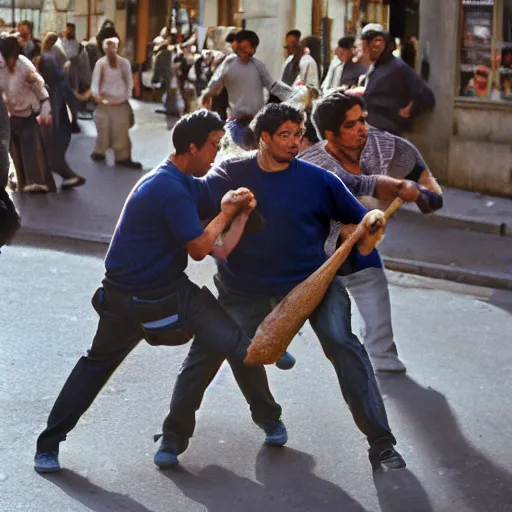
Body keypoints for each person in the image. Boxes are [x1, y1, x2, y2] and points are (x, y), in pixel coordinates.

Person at [34, 109, 284, 473]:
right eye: (213, 147)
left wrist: (248, 182)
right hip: (140, 297)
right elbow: (199, 248)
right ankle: (49, 444)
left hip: (147, 291)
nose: (216, 153)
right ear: (192, 147)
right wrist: (227, 212)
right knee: (100, 365)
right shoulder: (168, 188)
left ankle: (269, 419)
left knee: (233, 346)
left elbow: (213, 189)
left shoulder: (180, 178)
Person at [164, 103, 407, 471]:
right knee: (209, 351)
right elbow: (191, 200)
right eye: (285, 135)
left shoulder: (319, 180)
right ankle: (173, 436)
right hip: (245, 289)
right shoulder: (230, 172)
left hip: (313, 284)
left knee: (343, 343)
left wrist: (370, 226)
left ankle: (382, 444)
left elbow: (360, 224)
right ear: (263, 138)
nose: (295, 143)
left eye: (298, 135)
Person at [299, 92, 443, 372]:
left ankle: (381, 353)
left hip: (360, 244)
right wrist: (394, 186)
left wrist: (420, 193)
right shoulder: (313, 164)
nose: (361, 129)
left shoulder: (388, 147)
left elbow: (434, 195)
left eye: (362, 120)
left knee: (370, 275)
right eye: (350, 125)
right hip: (316, 245)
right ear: (329, 133)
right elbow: (352, 184)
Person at [201, 30, 292, 149]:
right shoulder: (229, 63)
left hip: (256, 121)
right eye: (243, 50)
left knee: (256, 154)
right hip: (236, 121)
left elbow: (273, 85)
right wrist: (207, 94)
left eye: (250, 52)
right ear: (237, 45)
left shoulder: (258, 65)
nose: (245, 54)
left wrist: (292, 94)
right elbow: (214, 83)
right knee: (241, 152)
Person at [0, 36, 54, 193]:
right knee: (14, 153)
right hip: (11, 116)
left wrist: (46, 106)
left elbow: (40, 86)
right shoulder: (2, 67)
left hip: (28, 115)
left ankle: (39, 183)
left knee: (32, 153)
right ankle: (21, 183)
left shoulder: (24, 66)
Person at [359, 24, 435, 135]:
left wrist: (409, 110)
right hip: (373, 131)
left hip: (388, 133)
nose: (364, 51)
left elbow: (427, 96)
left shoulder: (397, 66)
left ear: (378, 43)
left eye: (365, 47)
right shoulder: (377, 67)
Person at [38, 33, 86, 190]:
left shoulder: (47, 61)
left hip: (54, 118)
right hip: (58, 117)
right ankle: (60, 178)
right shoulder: (55, 66)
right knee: (51, 151)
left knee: (50, 151)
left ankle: (62, 178)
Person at [90, 37, 141, 169]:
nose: (111, 50)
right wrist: (98, 96)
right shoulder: (100, 64)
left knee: (121, 133)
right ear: (105, 49)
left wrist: (124, 97)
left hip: (120, 103)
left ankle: (122, 157)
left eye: (113, 47)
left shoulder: (124, 63)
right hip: (104, 103)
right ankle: (100, 152)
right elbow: (95, 83)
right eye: (108, 48)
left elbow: (129, 82)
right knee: (103, 130)